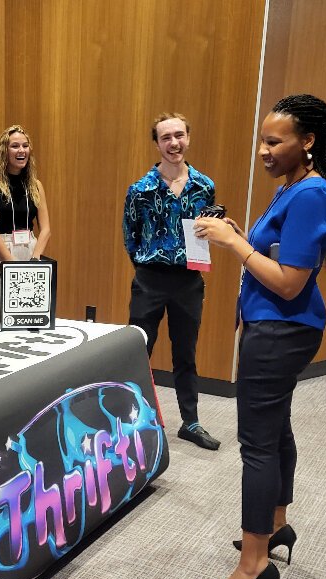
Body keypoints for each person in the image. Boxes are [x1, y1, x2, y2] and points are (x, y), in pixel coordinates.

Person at [194, 94, 326, 579]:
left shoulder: (310, 194)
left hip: (280, 330)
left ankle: (253, 562)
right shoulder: (293, 188)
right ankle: (277, 524)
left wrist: (235, 245)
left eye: (274, 141)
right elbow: (275, 255)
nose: (263, 150)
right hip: (279, 329)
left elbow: (288, 283)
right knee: (275, 426)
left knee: (257, 445)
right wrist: (239, 235)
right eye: (261, 140)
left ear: (307, 142)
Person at [123, 112, 220, 451]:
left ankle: (190, 422)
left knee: (186, 352)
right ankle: (129, 422)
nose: (173, 143)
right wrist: (150, 265)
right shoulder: (140, 190)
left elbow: (208, 232)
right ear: (157, 143)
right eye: (166, 137)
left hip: (189, 281)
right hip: (150, 280)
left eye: (179, 135)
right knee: (138, 352)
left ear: (188, 138)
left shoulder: (204, 187)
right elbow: (130, 237)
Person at [0, 125, 51, 324]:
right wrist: (13, 266)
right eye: (15, 146)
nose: (21, 150)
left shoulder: (36, 185)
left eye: (25, 146)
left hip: (30, 253)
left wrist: (35, 261)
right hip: (2, 255)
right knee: (2, 323)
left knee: (30, 324)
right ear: (4, 151)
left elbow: (45, 229)